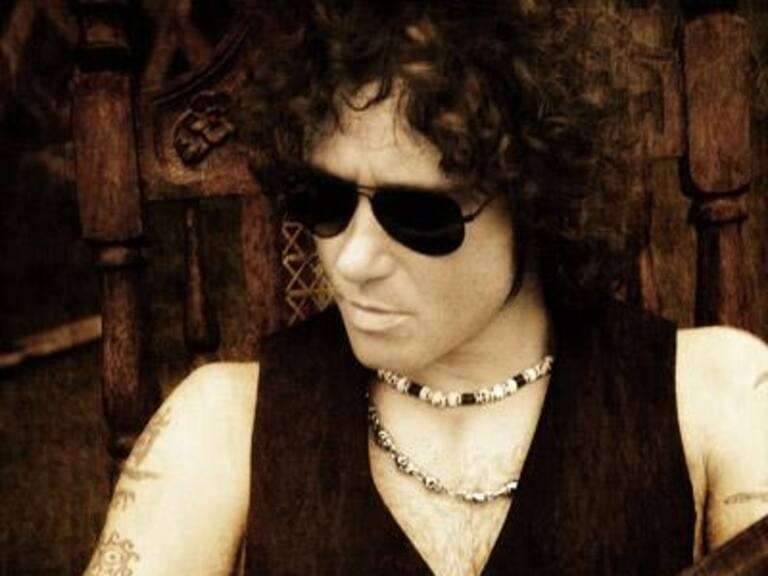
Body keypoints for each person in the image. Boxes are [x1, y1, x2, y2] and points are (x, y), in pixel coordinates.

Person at [84, 1, 768, 575]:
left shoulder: (721, 397)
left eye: (417, 214)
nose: (352, 260)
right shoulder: (220, 424)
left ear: (537, 199)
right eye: (325, 198)